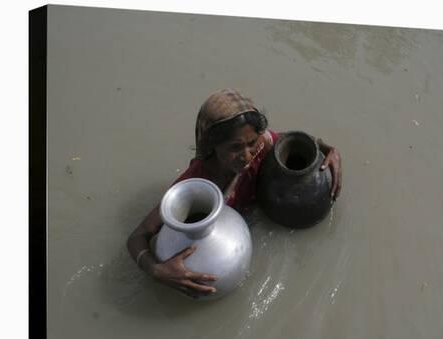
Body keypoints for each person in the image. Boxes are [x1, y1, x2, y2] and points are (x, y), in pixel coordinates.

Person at [127, 88, 342, 297]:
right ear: (212, 146)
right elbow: (137, 237)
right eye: (235, 147)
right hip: (219, 242)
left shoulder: (262, 144)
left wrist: (327, 150)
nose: (247, 155)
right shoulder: (196, 184)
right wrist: (156, 271)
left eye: (251, 143)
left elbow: (292, 140)